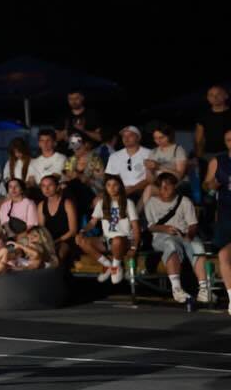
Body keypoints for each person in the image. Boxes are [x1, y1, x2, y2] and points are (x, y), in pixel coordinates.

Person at [143, 172, 206, 309]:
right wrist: (164, 228)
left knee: (197, 247)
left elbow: (193, 224)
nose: (164, 189)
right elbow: (151, 227)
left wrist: (189, 236)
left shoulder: (184, 201)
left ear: (174, 186)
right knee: (170, 244)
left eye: (168, 186)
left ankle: (204, 289)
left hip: (183, 233)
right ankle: (176, 288)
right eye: (161, 187)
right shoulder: (151, 203)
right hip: (162, 235)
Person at [77, 175, 140, 286]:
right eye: (109, 185)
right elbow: (92, 223)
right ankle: (107, 264)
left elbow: (136, 227)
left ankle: (116, 267)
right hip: (107, 240)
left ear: (120, 186)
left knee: (117, 240)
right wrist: (82, 231)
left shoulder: (128, 202)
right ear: (105, 188)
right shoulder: (101, 203)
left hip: (124, 241)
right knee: (81, 240)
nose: (112, 188)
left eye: (115, 185)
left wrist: (134, 246)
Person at [204, 128, 231, 310]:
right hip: (225, 214)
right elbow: (206, 185)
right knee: (224, 255)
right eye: (228, 140)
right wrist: (213, 185)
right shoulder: (218, 161)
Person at [36, 175, 78, 267]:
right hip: (49, 239)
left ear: (58, 187)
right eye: (43, 186)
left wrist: (56, 241)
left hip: (66, 239)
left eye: (50, 185)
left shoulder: (67, 203)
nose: (46, 189)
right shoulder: (41, 205)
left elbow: (73, 231)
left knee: (58, 256)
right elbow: (41, 229)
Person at [105, 126, 152, 205]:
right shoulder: (114, 156)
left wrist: (132, 188)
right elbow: (111, 177)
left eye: (130, 135)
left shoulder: (149, 154)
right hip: (119, 190)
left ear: (138, 138)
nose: (126, 138)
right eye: (124, 136)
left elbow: (150, 179)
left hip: (141, 191)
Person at [143, 127, 189, 195]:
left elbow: (180, 175)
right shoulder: (153, 152)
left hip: (176, 185)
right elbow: (150, 180)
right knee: (148, 188)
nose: (158, 140)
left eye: (161, 137)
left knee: (149, 189)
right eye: (155, 138)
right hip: (159, 183)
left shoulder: (178, 150)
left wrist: (159, 167)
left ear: (169, 136)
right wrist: (149, 169)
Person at [194, 85, 231, 160]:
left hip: (228, 153)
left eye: (218, 94)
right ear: (207, 98)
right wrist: (199, 155)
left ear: (226, 96)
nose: (215, 97)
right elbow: (199, 138)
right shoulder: (203, 115)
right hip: (208, 154)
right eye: (211, 95)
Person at [26, 129, 67, 194]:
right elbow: (31, 180)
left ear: (54, 143)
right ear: (39, 143)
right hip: (38, 193)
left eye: (48, 140)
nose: (45, 143)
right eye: (42, 141)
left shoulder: (61, 158)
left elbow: (55, 177)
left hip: (56, 192)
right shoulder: (33, 162)